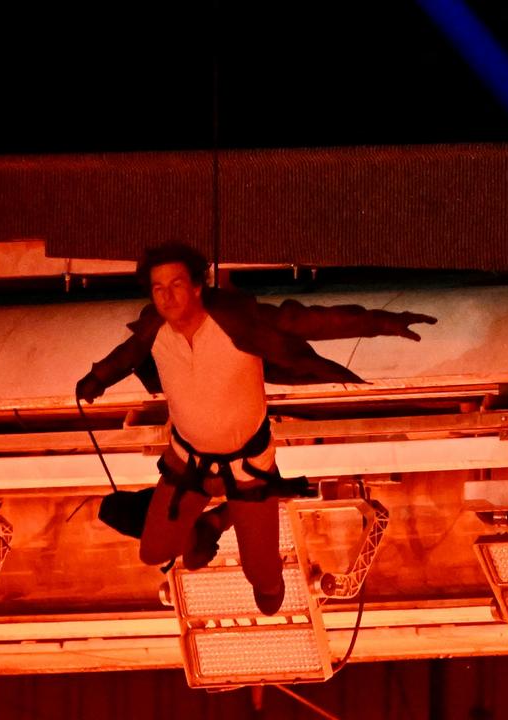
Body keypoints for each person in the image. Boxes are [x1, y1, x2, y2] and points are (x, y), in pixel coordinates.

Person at [76, 243, 436, 615]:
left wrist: (379, 323)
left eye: (177, 284)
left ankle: (219, 520)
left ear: (198, 286)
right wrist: (98, 377)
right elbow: (128, 352)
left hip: (247, 469)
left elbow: (306, 320)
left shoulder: (235, 322)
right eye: (158, 288)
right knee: (153, 552)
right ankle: (211, 523)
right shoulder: (155, 328)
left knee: (265, 588)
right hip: (188, 463)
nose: (168, 296)